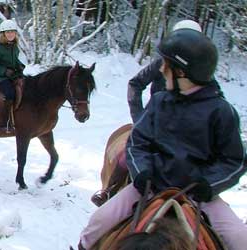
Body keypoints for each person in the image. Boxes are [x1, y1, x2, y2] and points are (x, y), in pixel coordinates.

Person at [78, 28, 247, 250]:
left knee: (240, 237)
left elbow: (234, 161)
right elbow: (137, 143)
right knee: (96, 224)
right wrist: (142, 172)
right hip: (151, 187)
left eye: (165, 65)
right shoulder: (159, 102)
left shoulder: (221, 112)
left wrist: (209, 184)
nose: (161, 70)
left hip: (199, 195)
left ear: (182, 72)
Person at [128, 20, 205, 123]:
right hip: (155, 122)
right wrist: (138, 117)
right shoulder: (162, 63)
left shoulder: (202, 70)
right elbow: (135, 83)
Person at [0, 19, 26, 133]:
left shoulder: (14, 47)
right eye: (7, 32)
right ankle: (5, 121)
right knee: (10, 93)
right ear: (3, 34)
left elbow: (14, 61)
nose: (10, 34)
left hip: (12, 76)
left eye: (12, 32)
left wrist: (20, 66)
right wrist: (4, 71)